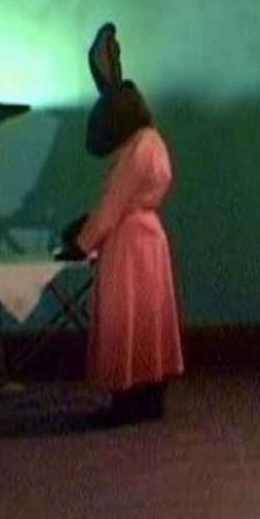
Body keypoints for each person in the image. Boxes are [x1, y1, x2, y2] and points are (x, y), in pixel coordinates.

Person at [59, 23, 184, 426]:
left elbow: (112, 206)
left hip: (129, 242)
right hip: (151, 237)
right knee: (150, 320)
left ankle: (127, 400)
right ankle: (149, 397)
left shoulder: (136, 148)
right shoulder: (153, 141)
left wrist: (81, 242)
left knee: (126, 319)